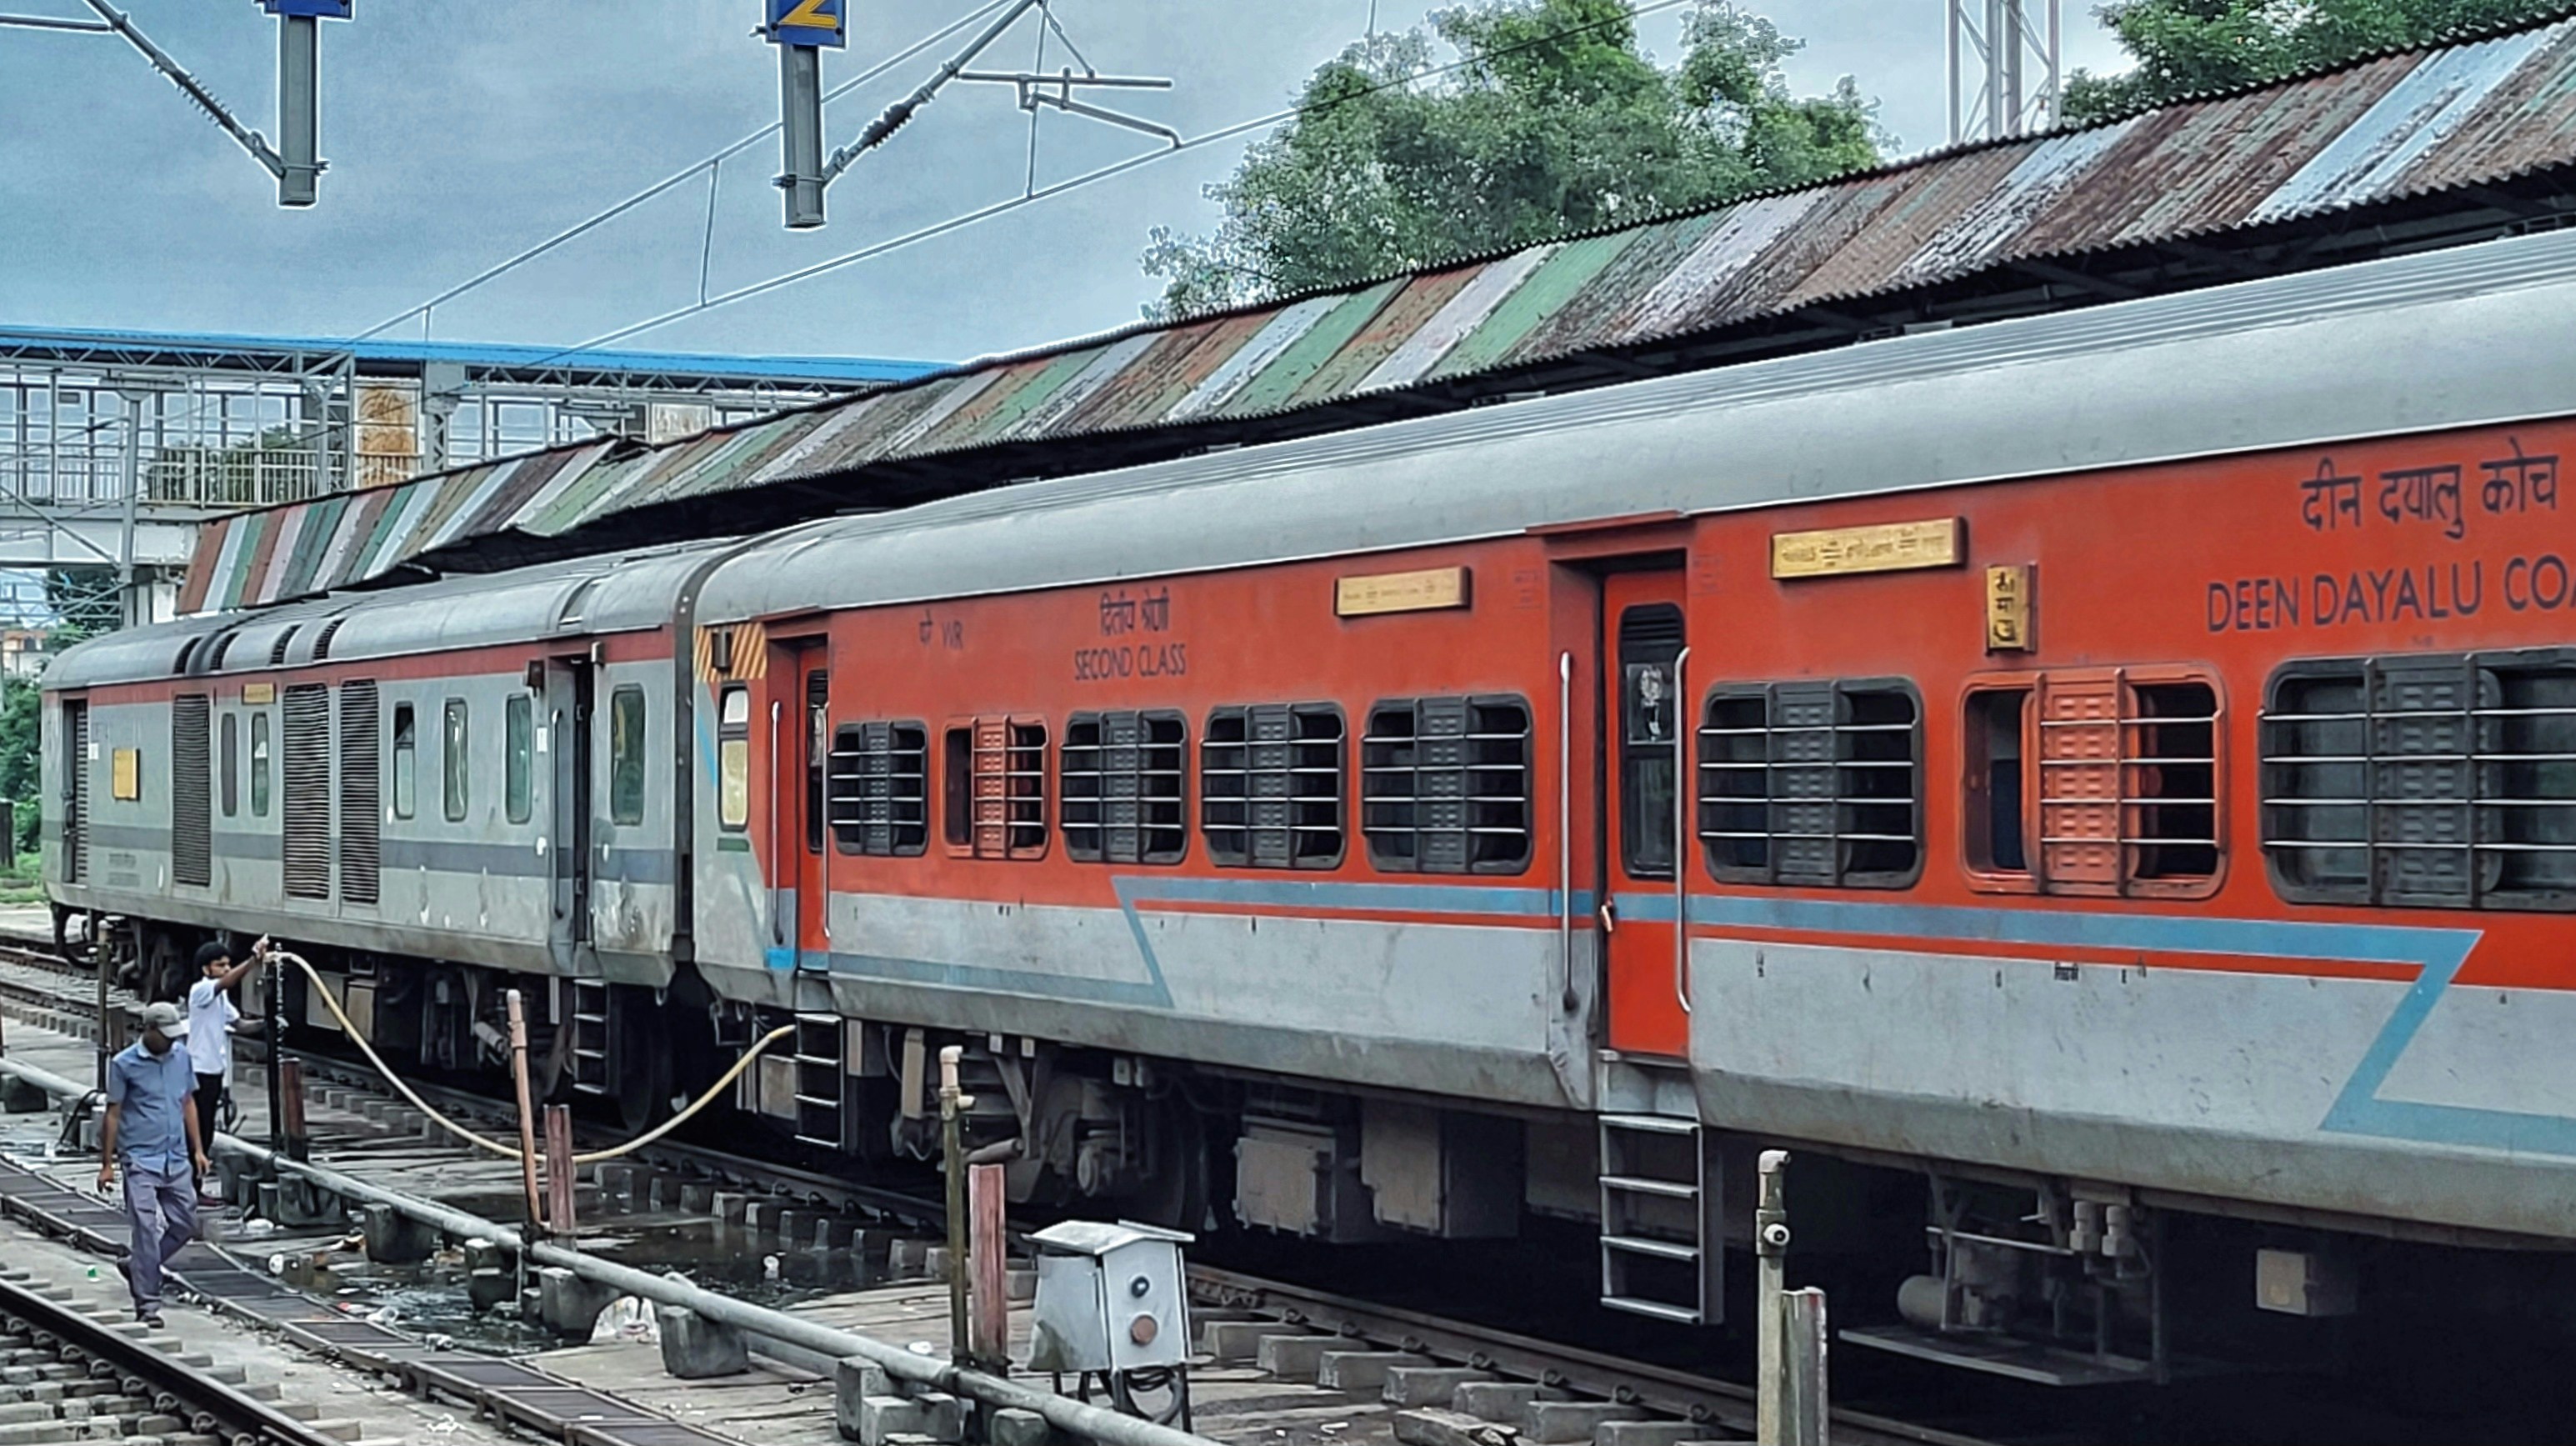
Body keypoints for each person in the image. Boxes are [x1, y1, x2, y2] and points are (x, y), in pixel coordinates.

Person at [98, 1001, 208, 1328]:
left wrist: (198, 1149)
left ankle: (138, 1265)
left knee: (185, 1223)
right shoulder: (124, 1064)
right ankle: (147, 1304)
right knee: (145, 1228)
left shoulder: (181, 1057)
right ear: (148, 1030)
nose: (172, 1041)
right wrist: (107, 1163)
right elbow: (113, 1113)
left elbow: (187, 1102)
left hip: (175, 1157)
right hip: (139, 1158)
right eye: (166, 1035)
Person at [184, 937, 264, 1195]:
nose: (226, 969)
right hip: (199, 1070)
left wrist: (267, 1024)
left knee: (207, 1129)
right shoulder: (201, 990)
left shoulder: (221, 998)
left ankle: (194, 1187)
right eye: (220, 965)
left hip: (214, 1070)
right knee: (197, 1132)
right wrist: (252, 961)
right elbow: (226, 982)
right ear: (206, 968)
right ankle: (190, 1188)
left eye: (228, 964)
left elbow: (239, 1024)